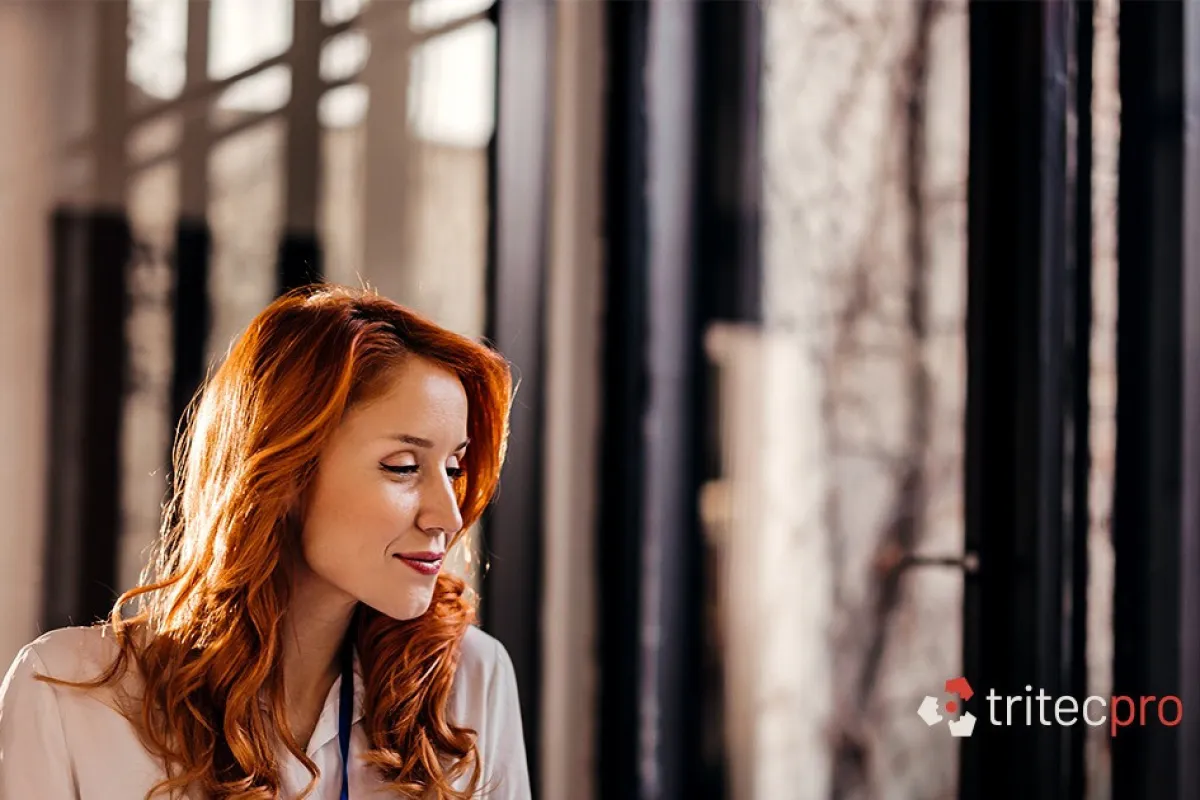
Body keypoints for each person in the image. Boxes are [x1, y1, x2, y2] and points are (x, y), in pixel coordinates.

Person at [0, 286, 531, 799]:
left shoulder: (469, 683)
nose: (449, 515)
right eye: (403, 466)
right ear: (285, 472)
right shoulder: (66, 694)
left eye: (454, 468)